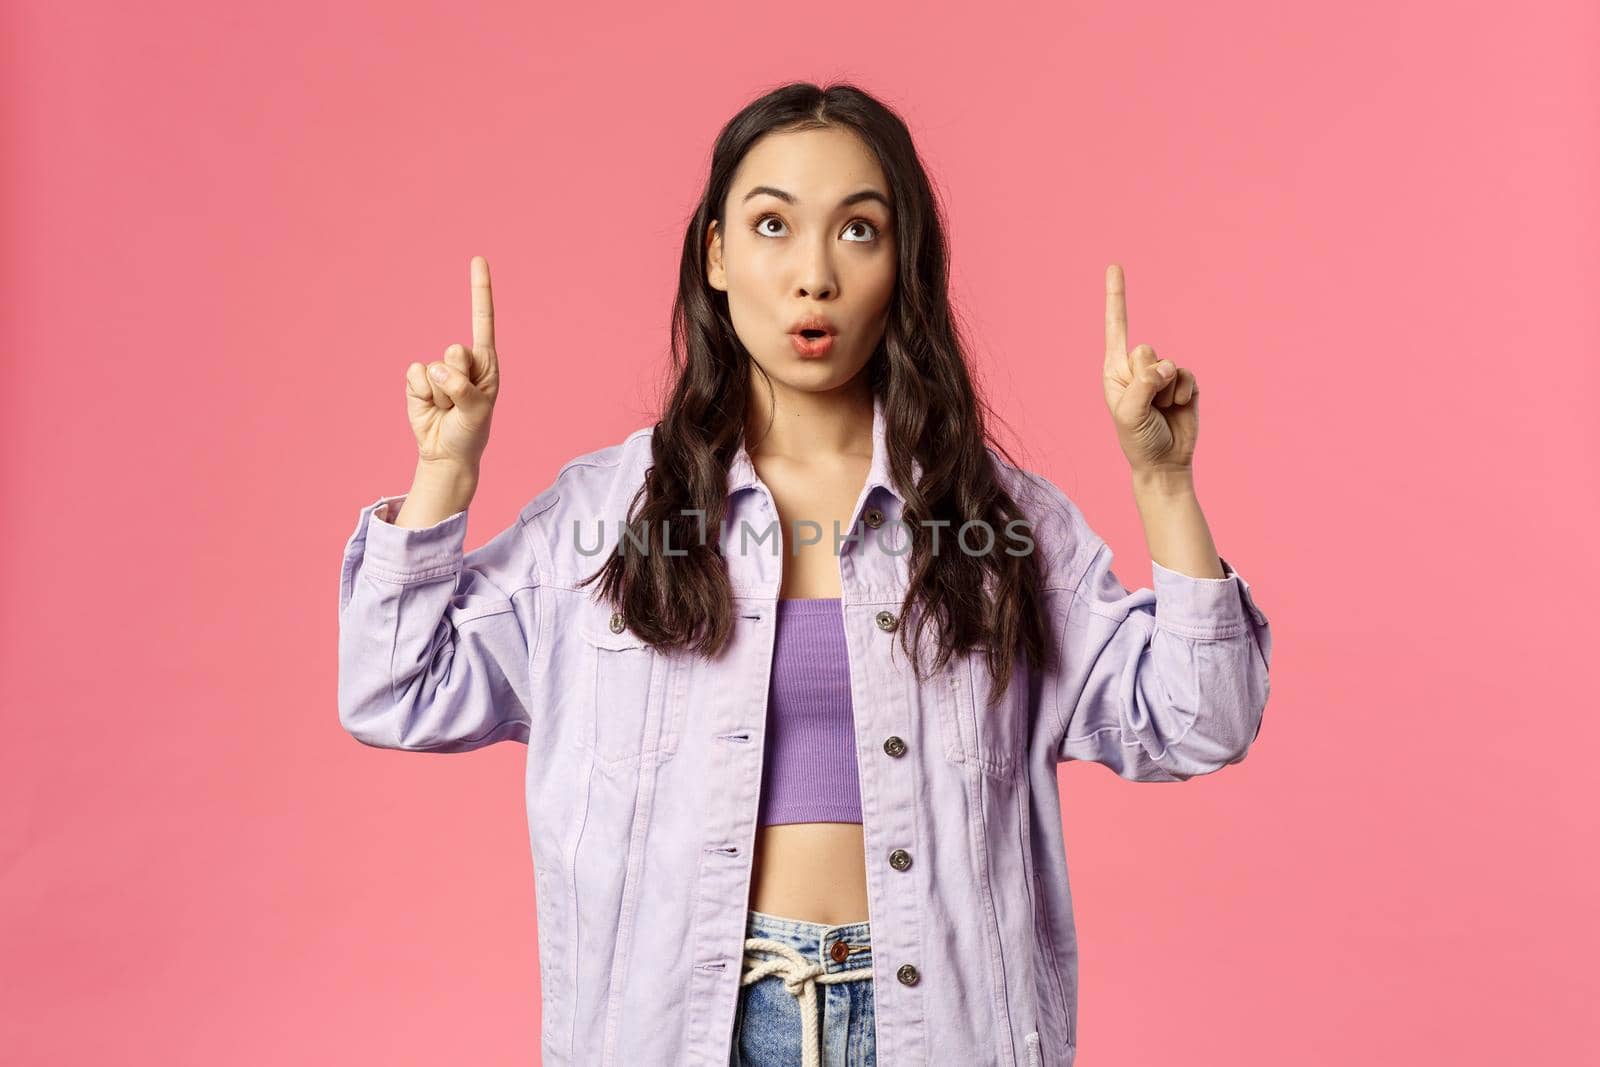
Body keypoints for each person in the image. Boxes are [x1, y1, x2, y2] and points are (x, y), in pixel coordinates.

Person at [336, 81, 1273, 1067]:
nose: (812, 275)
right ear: (715, 256)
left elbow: (1199, 718)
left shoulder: (997, 524)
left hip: (940, 1029)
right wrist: (444, 470)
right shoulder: (605, 514)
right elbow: (396, 688)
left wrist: (1163, 482)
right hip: (687, 1027)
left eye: (858, 231)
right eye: (772, 224)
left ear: (902, 263)